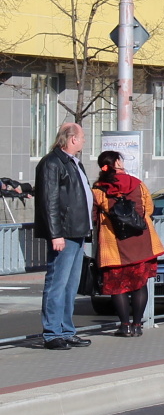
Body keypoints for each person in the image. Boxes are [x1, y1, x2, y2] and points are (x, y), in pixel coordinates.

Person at [34, 123, 94, 350]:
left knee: (71, 285)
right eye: (82, 137)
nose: (84, 141)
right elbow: (49, 202)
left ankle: (67, 330)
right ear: (71, 139)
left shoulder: (73, 162)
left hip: (78, 231)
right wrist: (55, 234)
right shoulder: (52, 163)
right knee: (57, 283)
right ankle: (52, 333)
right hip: (64, 233)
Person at [92, 151, 164, 337]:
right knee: (140, 285)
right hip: (141, 241)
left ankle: (124, 326)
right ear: (118, 162)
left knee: (118, 286)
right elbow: (149, 208)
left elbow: (93, 216)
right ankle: (138, 325)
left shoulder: (98, 189)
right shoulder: (137, 184)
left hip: (113, 245)